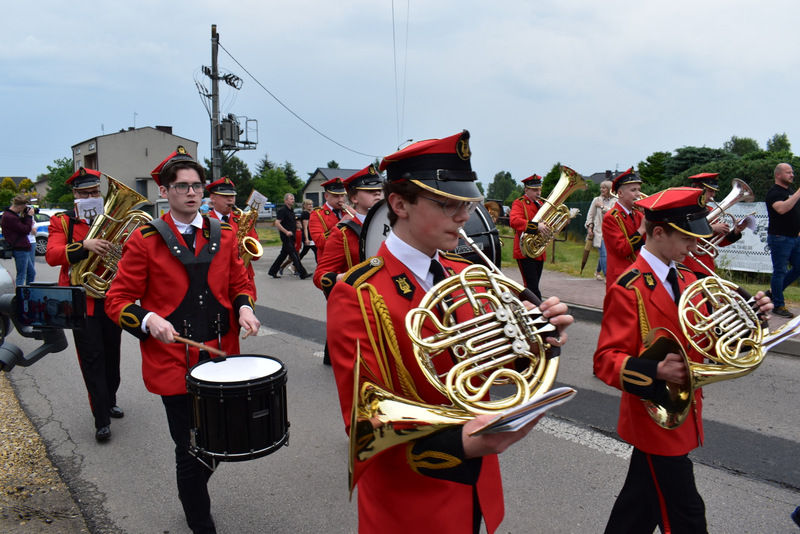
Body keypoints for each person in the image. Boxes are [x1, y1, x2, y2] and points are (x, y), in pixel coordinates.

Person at [327, 130, 572, 533]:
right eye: (447, 204)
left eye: (466, 204)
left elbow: (488, 363)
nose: (463, 216)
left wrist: (534, 338)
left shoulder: (467, 275)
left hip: (476, 482)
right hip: (412, 498)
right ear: (399, 204)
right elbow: (366, 424)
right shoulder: (358, 293)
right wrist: (461, 444)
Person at [594, 187, 772, 534]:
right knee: (687, 514)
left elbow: (709, 340)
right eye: (687, 238)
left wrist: (751, 317)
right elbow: (605, 360)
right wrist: (655, 370)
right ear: (658, 233)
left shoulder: (690, 278)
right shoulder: (629, 288)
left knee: (636, 511)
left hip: (682, 413)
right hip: (653, 418)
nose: (695, 245)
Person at [105, 146, 260, 534]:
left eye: (196, 186)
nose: (191, 193)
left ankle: (191, 493)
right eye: (182, 186)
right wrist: (147, 319)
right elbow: (117, 300)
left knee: (221, 441)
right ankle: (200, 521)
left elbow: (239, 283)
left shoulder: (224, 234)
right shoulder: (144, 239)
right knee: (190, 448)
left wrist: (244, 309)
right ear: (165, 191)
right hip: (173, 361)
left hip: (222, 357)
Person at [46, 168, 124, 441]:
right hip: (82, 302)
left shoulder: (113, 219)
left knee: (112, 356)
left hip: (110, 297)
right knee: (92, 360)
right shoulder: (62, 222)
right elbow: (52, 255)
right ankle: (101, 418)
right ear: (75, 194)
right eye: (84, 193)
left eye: (95, 192)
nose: (91, 197)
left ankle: (110, 400)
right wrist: (84, 245)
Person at [313, 163, 383, 296]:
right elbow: (320, 276)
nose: (377, 193)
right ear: (354, 198)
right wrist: (348, 277)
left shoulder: (394, 224)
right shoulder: (343, 232)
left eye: (380, 190)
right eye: (369, 190)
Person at [681, 172, 746, 278]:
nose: (713, 195)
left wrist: (736, 230)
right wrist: (711, 228)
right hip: (687, 265)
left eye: (714, 191)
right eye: (710, 191)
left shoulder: (710, 211)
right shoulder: (684, 210)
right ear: (698, 189)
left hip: (706, 267)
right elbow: (683, 234)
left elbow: (720, 242)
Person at [205, 176, 260, 295]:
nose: (230, 199)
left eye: (232, 196)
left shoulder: (244, 219)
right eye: (225, 196)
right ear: (213, 198)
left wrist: (244, 250)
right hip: (216, 282)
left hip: (244, 282)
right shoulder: (204, 222)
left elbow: (256, 255)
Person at [602, 167, 646, 290]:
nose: (638, 194)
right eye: (633, 190)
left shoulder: (639, 214)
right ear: (620, 193)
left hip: (639, 273)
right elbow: (622, 249)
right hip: (622, 277)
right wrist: (642, 229)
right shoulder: (611, 217)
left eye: (639, 190)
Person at [766, 163, 800, 318]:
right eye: (788, 172)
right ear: (778, 175)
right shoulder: (774, 192)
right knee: (780, 271)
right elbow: (781, 209)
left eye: (792, 172)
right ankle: (778, 305)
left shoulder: (790, 192)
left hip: (794, 237)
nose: (792, 175)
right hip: (780, 238)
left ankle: (774, 293)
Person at [509, 174, 550, 299]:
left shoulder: (541, 204)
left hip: (538, 250)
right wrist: (536, 226)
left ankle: (524, 307)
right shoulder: (519, 203)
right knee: (532, 287)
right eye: (535, 190)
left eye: (539, 189)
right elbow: (514, 221)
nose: (538, 193)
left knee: (533, 286)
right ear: (526, 190)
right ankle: (539, 308)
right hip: (524, 250)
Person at [267, 193, 310, 280]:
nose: (293, 200)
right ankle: (303, 273)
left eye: (293, 199)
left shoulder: (291, 211)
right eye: (291, 199)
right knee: (294, 254)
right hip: (286, 237)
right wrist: (286, 232)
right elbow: (277, 223)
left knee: (283, 254)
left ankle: (272, 271)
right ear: (286, 200)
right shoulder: (283, 210)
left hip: (291, 237)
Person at [308, 177, 347, 257]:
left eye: (342, 195)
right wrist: (341, 224)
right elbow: (319, 242)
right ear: (326, 196)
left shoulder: (347, 211)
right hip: (330, 259)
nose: (340, 200)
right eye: (336, 196)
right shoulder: (317, 214)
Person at [2, 195, 35, 285]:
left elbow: (20, 228)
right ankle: (20, 292)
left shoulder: (11, 215)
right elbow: (25, 230)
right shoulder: (10, 217)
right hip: (19, 248)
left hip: (22, 247)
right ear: (20, 207)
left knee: (31, 273)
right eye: (24, 208)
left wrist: (24, 217)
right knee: (21, 275)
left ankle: (28, 291)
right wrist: (29, 217)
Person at [585, 180, 614, 281]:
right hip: (599, 231)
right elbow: (590, 215)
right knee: (604, 253)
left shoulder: (616, 200)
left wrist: (602, 207)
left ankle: (597, 271)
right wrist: (589, 227)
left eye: (604, 188)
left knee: (607, 254)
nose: (601, 189)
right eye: (601, 187)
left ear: (609, 189)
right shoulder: (596, 200)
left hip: (611, 232)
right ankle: (607, 277)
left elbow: (613, 212)